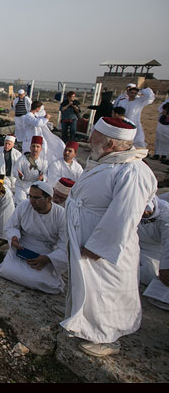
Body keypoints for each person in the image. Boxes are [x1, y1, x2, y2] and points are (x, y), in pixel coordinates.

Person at [60, 116, 157, 357]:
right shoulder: (106, 162)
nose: (90, 139)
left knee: (107, 294)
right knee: (91, 290)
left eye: (95, 136)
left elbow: (123, 216)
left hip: (103, 247)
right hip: (86, 238)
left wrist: (98, 247)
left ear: (110, 144)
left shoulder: (132, 171)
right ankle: (88, 328)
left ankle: (107, 338)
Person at [0, 181, 68, 294]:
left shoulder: (61, 215)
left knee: (39, 280)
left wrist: (47, 259)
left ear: (48, 199)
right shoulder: (24, 206)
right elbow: (12, 226)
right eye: (30, 196)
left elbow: (65, 246)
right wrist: (14, 237)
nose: (31, 201)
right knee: (6, 270)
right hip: (23, 246)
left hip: (46, 250)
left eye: (36, 198)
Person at [137, 196, 169, 287]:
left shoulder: (165, 212)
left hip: (162, 250)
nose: (145, 213)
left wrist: (165, 267)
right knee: (147, 275)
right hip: (141, 249)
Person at [112, 83, 155, 148]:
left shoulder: (140, 101)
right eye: (131, 93)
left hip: (135, 124)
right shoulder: (122, 101)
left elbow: (150, 97)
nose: (133, 95)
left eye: (135, 93)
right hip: (123, 123)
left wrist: (141, 90)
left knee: (138, 140)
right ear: (128, 93)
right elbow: (117, 111)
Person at [12, 135, 48, 205]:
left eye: (38, 147)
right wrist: (20, 176)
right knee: (21, 205)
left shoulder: (44, 161)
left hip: (36, 187)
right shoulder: (22, 159)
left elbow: (46, 174)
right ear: (30, 147)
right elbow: (15, 171)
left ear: (41, 149)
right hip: (21, 186)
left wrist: (42, 178)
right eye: (33, 146)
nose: (35, 149)